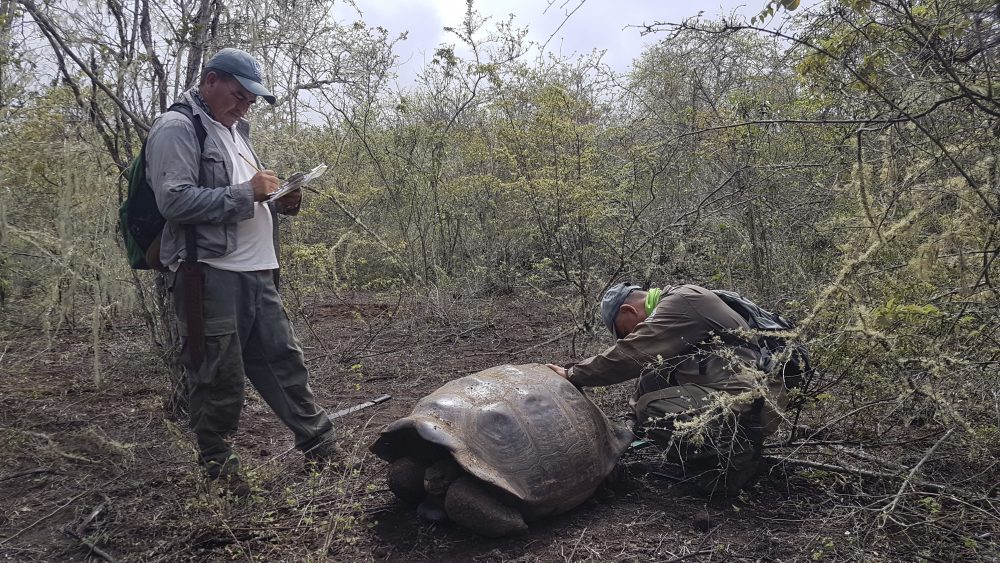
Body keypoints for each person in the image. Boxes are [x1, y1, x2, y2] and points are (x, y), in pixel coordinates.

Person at [146, 48, 339, 492]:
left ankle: (321, 445)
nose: (245, 106)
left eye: (251, 100)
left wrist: (283, 200)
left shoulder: (237, 131)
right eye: (239, 95)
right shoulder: (177, 127)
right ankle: (220, 470)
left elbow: (247, 195)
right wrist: (247, 193)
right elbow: (174, 201)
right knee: (217, 374)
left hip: (258, 270)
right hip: (209, 273)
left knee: (284, 361)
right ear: (210, 81)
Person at [545, 282, 787, 495]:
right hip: (744, 394)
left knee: (651, 409)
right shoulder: (681, 301)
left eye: (625, 332)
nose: (628, 337)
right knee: (653, 375)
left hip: (752, 405)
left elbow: (632, 354)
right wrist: (630, 428)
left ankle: (736, 462)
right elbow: (649, 370)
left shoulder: (681, 303)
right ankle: (721, 450)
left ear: (629, 311)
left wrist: (573, 374)